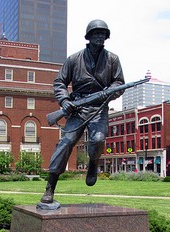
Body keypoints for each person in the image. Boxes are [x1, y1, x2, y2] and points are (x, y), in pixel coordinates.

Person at [40, 19, 125, 204]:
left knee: (98, 140)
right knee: (66, 143)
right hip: (78, 107)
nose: (99, 37)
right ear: (89, 37)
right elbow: (60, 82)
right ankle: (50, 187)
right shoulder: (73, 59)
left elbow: (119, 83)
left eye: (102, 34)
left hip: (100, 107)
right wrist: (65, 101)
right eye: (96, 33)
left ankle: (93, 163)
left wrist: (109, 93)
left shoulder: (112, 59)